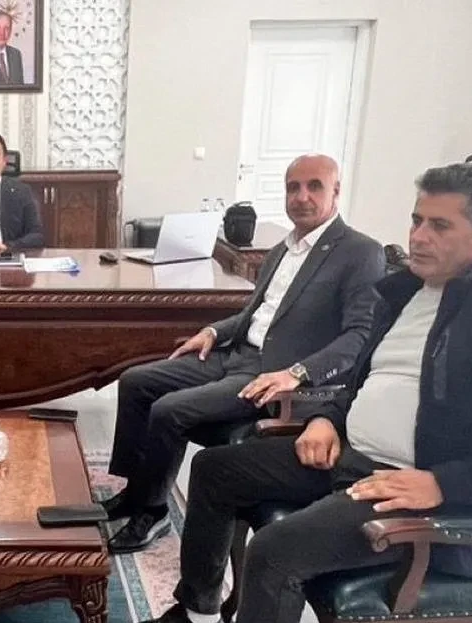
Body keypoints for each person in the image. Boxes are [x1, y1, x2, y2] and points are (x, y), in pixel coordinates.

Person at [117, 163, 472, 623]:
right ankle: (199, 618)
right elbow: (363, 379)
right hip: (352, 456)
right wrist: (327, 419)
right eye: (417, 220)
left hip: (426, 495)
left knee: (275, 551)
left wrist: (444, 483)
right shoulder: (404, 292)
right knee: (217, 470)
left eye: (440, 226)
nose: (418, 236)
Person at [104, 154, 383, 554]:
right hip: (234, 354)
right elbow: (256, 313)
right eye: (293, 187)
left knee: (169, 410)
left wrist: (297, 373)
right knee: (136, 382)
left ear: (336, 191)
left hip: (272, 375)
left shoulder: (359, 252)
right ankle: (136, 492)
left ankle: (153, 512)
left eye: (314, 186)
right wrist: (212, 331)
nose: (301, 196)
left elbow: (360, 335)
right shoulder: (281, 249)